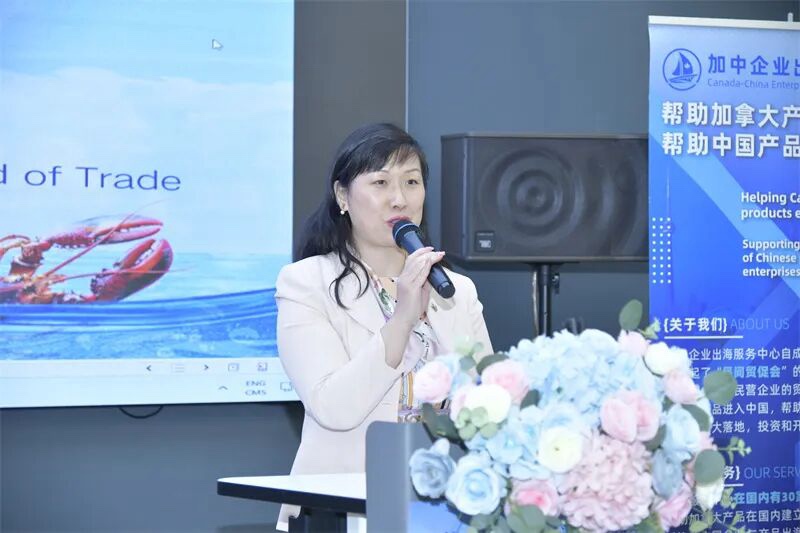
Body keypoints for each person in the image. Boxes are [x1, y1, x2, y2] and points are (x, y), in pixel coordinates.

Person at [275, 123, 493, 530]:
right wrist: (404, 316)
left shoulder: (456, 291)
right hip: (344, 511)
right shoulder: (306, 283)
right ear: (343, 196)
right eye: (380, 183)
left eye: (411, 182)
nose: (399, 198)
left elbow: (488, 408)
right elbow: (333, 408)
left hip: (443, 510)